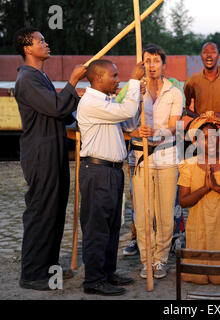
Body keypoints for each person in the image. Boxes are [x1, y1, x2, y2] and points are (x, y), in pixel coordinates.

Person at [13, 27, 86, 291]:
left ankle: (49, 268)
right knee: (41, 211)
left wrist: (76, 99)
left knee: (54, 211)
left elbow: (61, 112)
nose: (46, 43)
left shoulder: (39, 77)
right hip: (40, 154)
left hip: (53, 152)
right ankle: (32, 274)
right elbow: (55, 107)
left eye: (45, 39)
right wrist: (73, 82)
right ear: (27, 49)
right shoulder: (27, 79)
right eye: (40, 41)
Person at [77, 59, 145, 296]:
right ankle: (94, 280)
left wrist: (137, 95)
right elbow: (126, 111)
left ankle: (107, 272)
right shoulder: (90, 102)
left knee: (112, 225)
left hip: (113, 171)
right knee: (97, 227)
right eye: (114, 76)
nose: (117, 80)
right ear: (98, 78)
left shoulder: (107, 101)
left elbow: (126, 120)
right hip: (97, 172)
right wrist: (134, 81)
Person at [130, 44, 183, 280]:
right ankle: (146, 259)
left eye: (155, 61)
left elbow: (173, 126)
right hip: (141, 159)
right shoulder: (133, 90)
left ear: (163, 64)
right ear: (141, 64)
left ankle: (160, 259)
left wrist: (155, 132)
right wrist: (136, 130)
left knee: (164, 213)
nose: (151, 65)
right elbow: (124, 122)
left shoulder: (174, 92)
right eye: (147, 61)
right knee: (142, 214)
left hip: (166, 157)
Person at [177, 112, 220, 284]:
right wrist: (204, 189)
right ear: (196, 141)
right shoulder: (189, 165)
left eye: (215, 137)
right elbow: (183, 201)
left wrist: (216, 187)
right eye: (205, 138)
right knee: (199, 276)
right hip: (198, 225)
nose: (211, 142)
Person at [184, 42, 220, 138]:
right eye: (205, 52)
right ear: (201, 56)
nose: (209, 55)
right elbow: (183, 107)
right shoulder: (192, 81)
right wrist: (198, 117)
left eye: (213, 52)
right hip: (200, 132)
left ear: (218, 56)